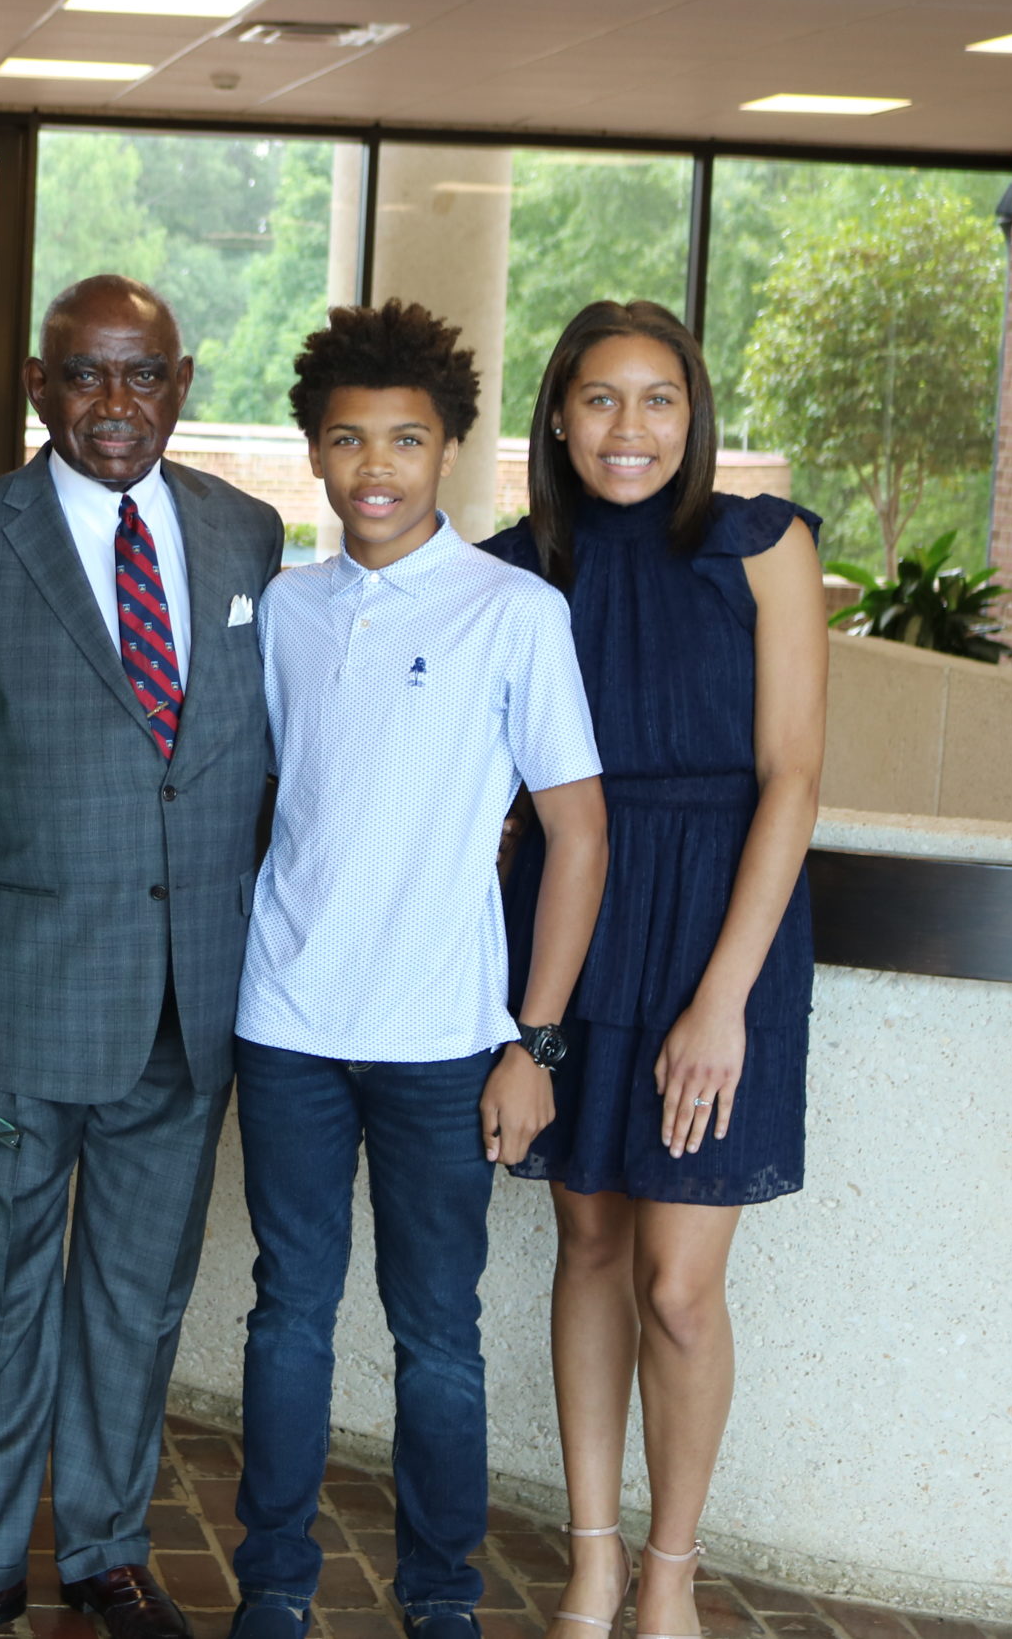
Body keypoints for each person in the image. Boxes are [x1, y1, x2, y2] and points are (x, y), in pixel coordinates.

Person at [0, 276, 286, 1639]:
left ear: (181, 380)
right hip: (12, 1011)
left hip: (191, 1006)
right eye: (87, 375)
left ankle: (105, 1550)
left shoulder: (248, 538)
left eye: (145, 374)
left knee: (135, 1301)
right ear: (39, 385)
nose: (118, 403)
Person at [227, 300, 611, 1639]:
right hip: (285, 1022)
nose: (374, 465)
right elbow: (287, 797)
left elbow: (578, 833)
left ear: (449, 449)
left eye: (404, 438)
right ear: (317, 457)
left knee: (436, 1332)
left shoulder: (516, 613)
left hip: (449, 1040)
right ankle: (271, 1587)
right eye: (348, 440)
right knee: (288, 1316)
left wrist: (535, 1041)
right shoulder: (288, 609)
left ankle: (441, 1597)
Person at [481, 301, 824, 1639]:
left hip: (715, 930)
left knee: (680, 1286)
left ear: (695, 416)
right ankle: (594, 1560)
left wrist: (724, 1000)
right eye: (602, 400)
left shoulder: (765, 546)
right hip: (573, 912)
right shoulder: (514, 569)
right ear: (559, 418)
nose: (631, 428)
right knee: (588, 1237)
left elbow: (793, 778)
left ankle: (672, 1575)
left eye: (658, 400)